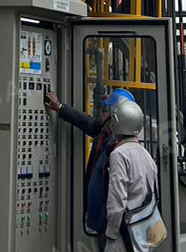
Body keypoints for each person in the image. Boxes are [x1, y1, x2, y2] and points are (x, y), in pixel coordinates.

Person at [44, 85, 136, 249]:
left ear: (115, 117)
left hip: (111, 224)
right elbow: (86, 122)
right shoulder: (105, 132)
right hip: (103, 221)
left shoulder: (119, 149)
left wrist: (111, 230)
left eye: (104, 111)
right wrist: (60, 108)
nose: (100, 114)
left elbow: (119, 196)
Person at [103, 97, 161, 252]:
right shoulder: (146, 154)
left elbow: (117, 200)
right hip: (145, 228)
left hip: (125, 231)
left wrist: (111, 233)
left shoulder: (118, 155)